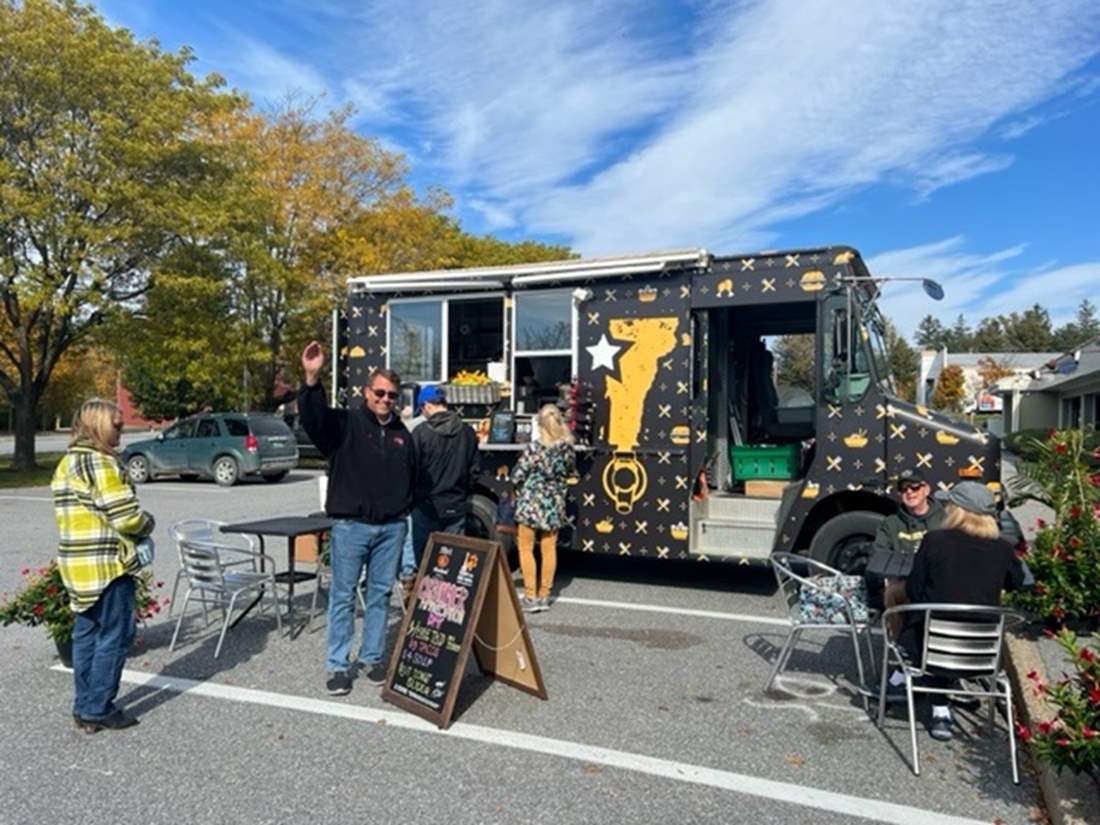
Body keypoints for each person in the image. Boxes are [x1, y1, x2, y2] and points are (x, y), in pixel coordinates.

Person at [299, 341, 416, 696]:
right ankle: (338, 665)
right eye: (379, 392)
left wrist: (404, 512)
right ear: (367, 392)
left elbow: (413, 477)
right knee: (343, 596)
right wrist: (311, 376)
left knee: (380, 596)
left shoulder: (401, 434)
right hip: (351, 526)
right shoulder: (345, 423)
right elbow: (314, 420)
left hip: (391, 528)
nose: (384, 399)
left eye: (391, 395)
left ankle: (372, 658)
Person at [888, 481, 1025, 742]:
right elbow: (1018, 582)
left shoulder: (935, 541)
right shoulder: (1002, 549)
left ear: (959, 510)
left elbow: (915, 590)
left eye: (950, 504)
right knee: (942, 626)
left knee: (920, 620)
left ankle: (918, 693)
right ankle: (921, 690)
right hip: (981, 654)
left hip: (932, 648)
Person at [52, 399, 155, 733]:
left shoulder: (67, 463)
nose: (121, 428)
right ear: (98, 425)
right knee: (115, 635)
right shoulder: (101, 463)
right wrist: (147, 526)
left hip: (76, 565)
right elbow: (126, 516)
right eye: (116, 423)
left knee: (86, 635)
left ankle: (84, 706)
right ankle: (99, 708)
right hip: (108, 565)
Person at [409, 386, 480, 588]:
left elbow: (410, 468)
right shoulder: (467, 432)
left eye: (422, 409)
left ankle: (425, 607)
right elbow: (475, 470)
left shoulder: (421, 433)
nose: (422, 414)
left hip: (426, 506)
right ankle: (450, 612)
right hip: (456, 505)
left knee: (426, 563)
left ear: (427, 406)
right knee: (454, 563)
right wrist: (462, 491)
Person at [510, 404, 576, 613]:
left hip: (531, 503)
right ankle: (544, 595)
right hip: (554, 504)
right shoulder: (566, 449)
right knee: (549, 550)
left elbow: (517, 474)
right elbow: (571, 472)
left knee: (526, 548)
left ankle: (530, 596)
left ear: (539, 424)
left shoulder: (535, 448)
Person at [870, 468, 944, 634]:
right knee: (891, 593)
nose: (909, 492)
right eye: (904, 489)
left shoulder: (944, 519)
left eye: (915, 487)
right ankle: (898, 643)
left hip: (937, 583)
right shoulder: (890, 523)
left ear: (926, 489)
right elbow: (879, 555)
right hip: (905, 582)